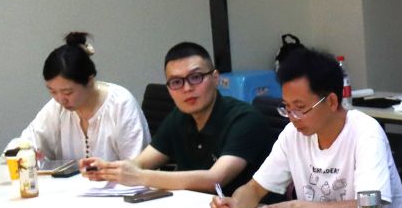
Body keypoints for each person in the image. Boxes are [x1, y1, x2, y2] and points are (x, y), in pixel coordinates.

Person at [211, 49, 402, 208]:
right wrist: (234, 204)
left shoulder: (366, 133)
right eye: (286, 107)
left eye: (300, 108)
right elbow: (255, 189)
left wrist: (297, 207)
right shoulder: (292, 134)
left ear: (331, 101)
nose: (292, 117)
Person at [81, 42, 273, 193]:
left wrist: (139, 176)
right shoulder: (180, 116)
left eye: (196, 77)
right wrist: (108, 169)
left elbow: (215, 179)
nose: (187, 88)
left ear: (215, 78)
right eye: (176, 82)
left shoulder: (245, 119)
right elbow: (141, 163)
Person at [8, 31, 148, 167]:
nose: (60, 100)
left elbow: (136, 167)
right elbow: (28, 140)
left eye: (67, 92)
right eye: (53, 91)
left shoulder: (120, 105)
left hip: (116, 183)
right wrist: (25, 152)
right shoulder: (57, 108)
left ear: (90, 81)